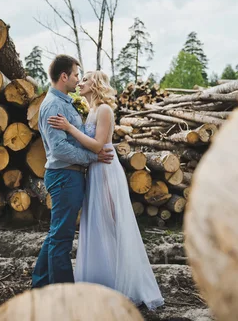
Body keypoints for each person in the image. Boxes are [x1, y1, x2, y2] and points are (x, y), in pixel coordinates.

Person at [47, 70, 165, 311]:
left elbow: (99, 145)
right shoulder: (90, 111)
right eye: (79, 78)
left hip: (106, 173)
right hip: (94, 172)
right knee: (97, 225)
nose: (80, 82)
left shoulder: (104, 110)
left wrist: (69, 128)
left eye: (85, 79)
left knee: (111, 223)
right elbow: (90, 145)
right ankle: (102, 281)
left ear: (97, 84)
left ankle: (123, 284)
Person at [31, 55, 114, 288]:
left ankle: (40, 285)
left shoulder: (65, 102)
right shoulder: (54, 106)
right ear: (64, 76)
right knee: (62, 238)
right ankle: (64, 293)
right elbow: (59, 149)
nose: (78, 80)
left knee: (57, 234)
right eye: (76, 75)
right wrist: (92, 157)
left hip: (70, 175)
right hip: (65, 175)